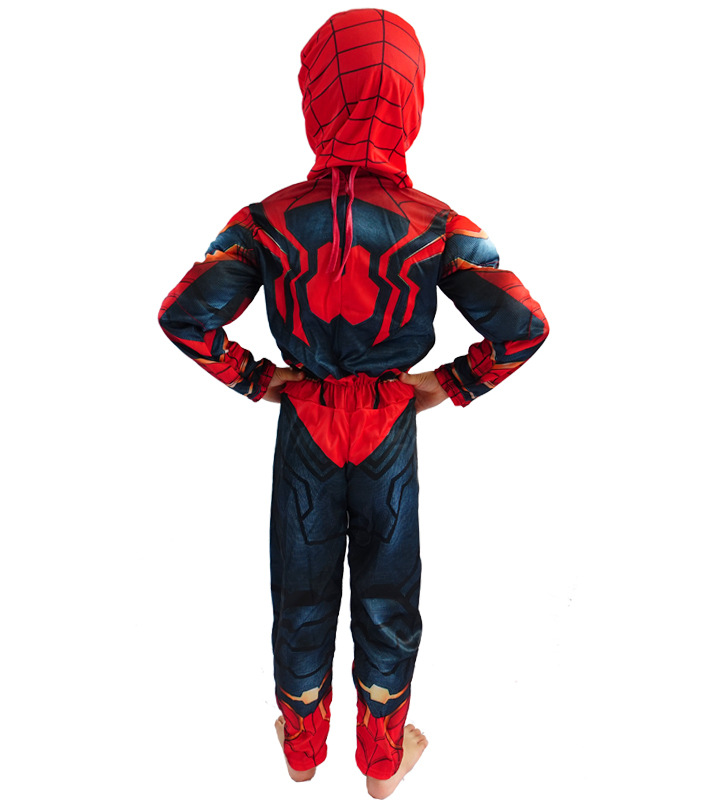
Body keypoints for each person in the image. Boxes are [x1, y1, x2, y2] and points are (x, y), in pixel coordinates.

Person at [157, 8, 549, 797]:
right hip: (387, 429)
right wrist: (447, 384)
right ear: (411, 100)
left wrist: (258, 378)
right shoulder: (439, 223)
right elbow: (524, 326)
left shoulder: (265, 219)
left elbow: (183, 315)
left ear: (316, 98)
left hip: (305, 421)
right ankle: (381, 761)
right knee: (387, 594)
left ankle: (302, 750)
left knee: (300, 590)